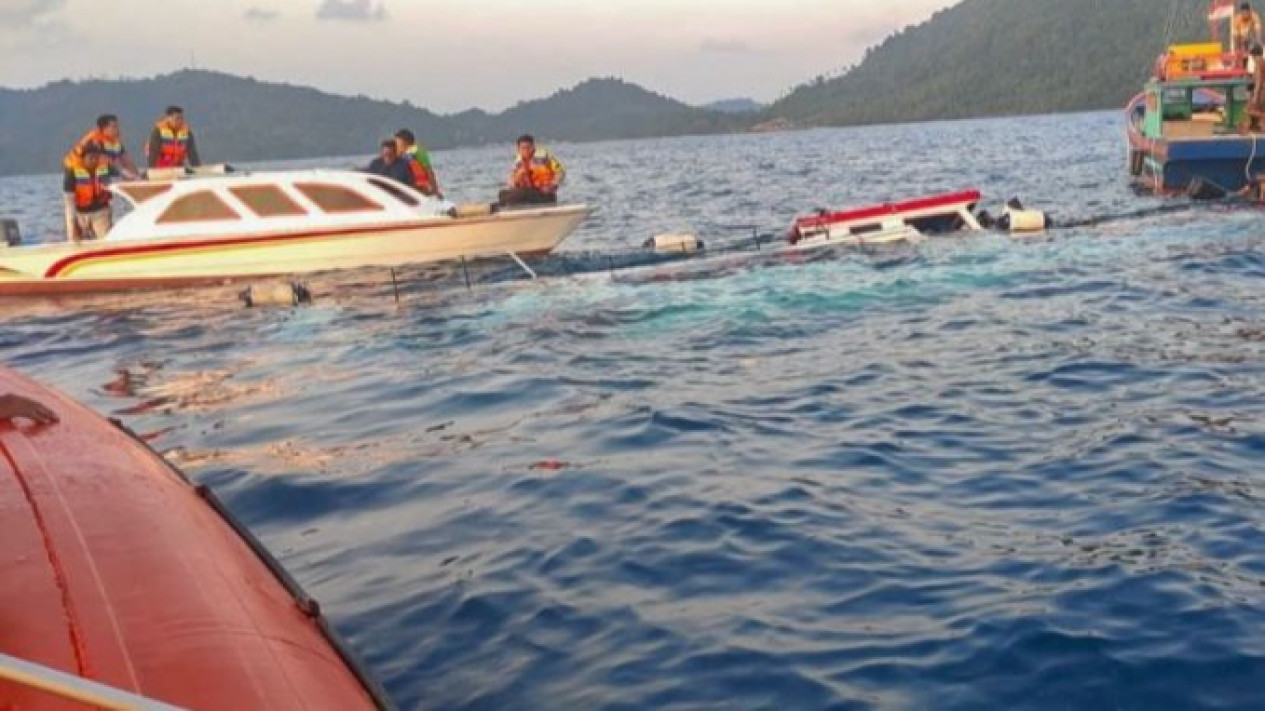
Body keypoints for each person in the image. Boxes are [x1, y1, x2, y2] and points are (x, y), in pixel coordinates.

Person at [62, 142, 113, 243]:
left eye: (96, 158)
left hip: (101, 211)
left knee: (105, 240)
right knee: (74, 240)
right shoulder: (72, 173)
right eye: (90, 158)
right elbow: (69, 202)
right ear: (83, 158)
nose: (94, 161)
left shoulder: (104, 168)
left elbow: (122, 176)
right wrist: (73, 225)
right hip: (79, 213)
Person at [64, 114, 140, 180]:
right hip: (75, 169)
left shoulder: (115, 141)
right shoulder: (94, 139)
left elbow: (126, 160)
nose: (118, 129)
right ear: (104, 129)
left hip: (96, 170)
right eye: (114, 127)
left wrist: (138, 176)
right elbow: (107, 161)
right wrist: (128, 175)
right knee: (111, 172)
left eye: (118, 126)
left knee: (123, 174)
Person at [498, 134, 565, 207]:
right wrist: (518, 176)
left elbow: (560, 172)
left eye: (529, 148)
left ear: (533, 147)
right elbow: (512, 182)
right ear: (518, 149)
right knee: (502, 193)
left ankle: (502, 205)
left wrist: (553, 184)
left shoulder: (544, 158)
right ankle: (503, 206)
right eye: (523, 148)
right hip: (528, 195)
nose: (526, 150)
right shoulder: (518, 164)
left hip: (545, 195)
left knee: (522, 193)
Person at [147, 106, 202, 170]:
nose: (180, 121)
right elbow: (153, 152)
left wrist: (198, 169)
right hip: (161, 166)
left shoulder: (187, 132)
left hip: (178, 165)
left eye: (182, 118)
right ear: (168, 118)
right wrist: (151, 169)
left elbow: (192, 153)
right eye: (177, 118)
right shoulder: (158, 131)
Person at [393, 129, 441, 198]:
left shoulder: (417, 151)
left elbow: (429, 171)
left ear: (404, 141)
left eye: (397, 141)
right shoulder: (398, 155)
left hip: (419, 189)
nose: (395, 143)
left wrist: (435, 190)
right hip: (405, 190)